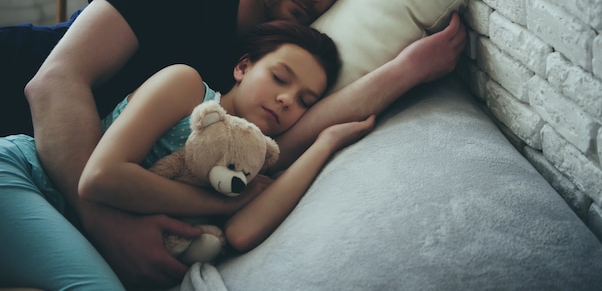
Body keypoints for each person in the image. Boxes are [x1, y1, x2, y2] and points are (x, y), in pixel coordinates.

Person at [0, 0, 466, 289]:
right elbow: (52, 84)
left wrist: (406, 70)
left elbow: (300, 131)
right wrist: (105, 226)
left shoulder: (263, 74)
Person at [0, 21, 375, 290]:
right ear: (243, 67)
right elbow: (101, 177)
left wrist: (325, 143)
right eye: (279, 78)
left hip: (67, 229)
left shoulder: (250, 158)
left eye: (304, 101)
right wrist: (220, 203)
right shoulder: (188, 86)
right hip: (24, 177)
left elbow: (241, 234)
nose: (286, 99)